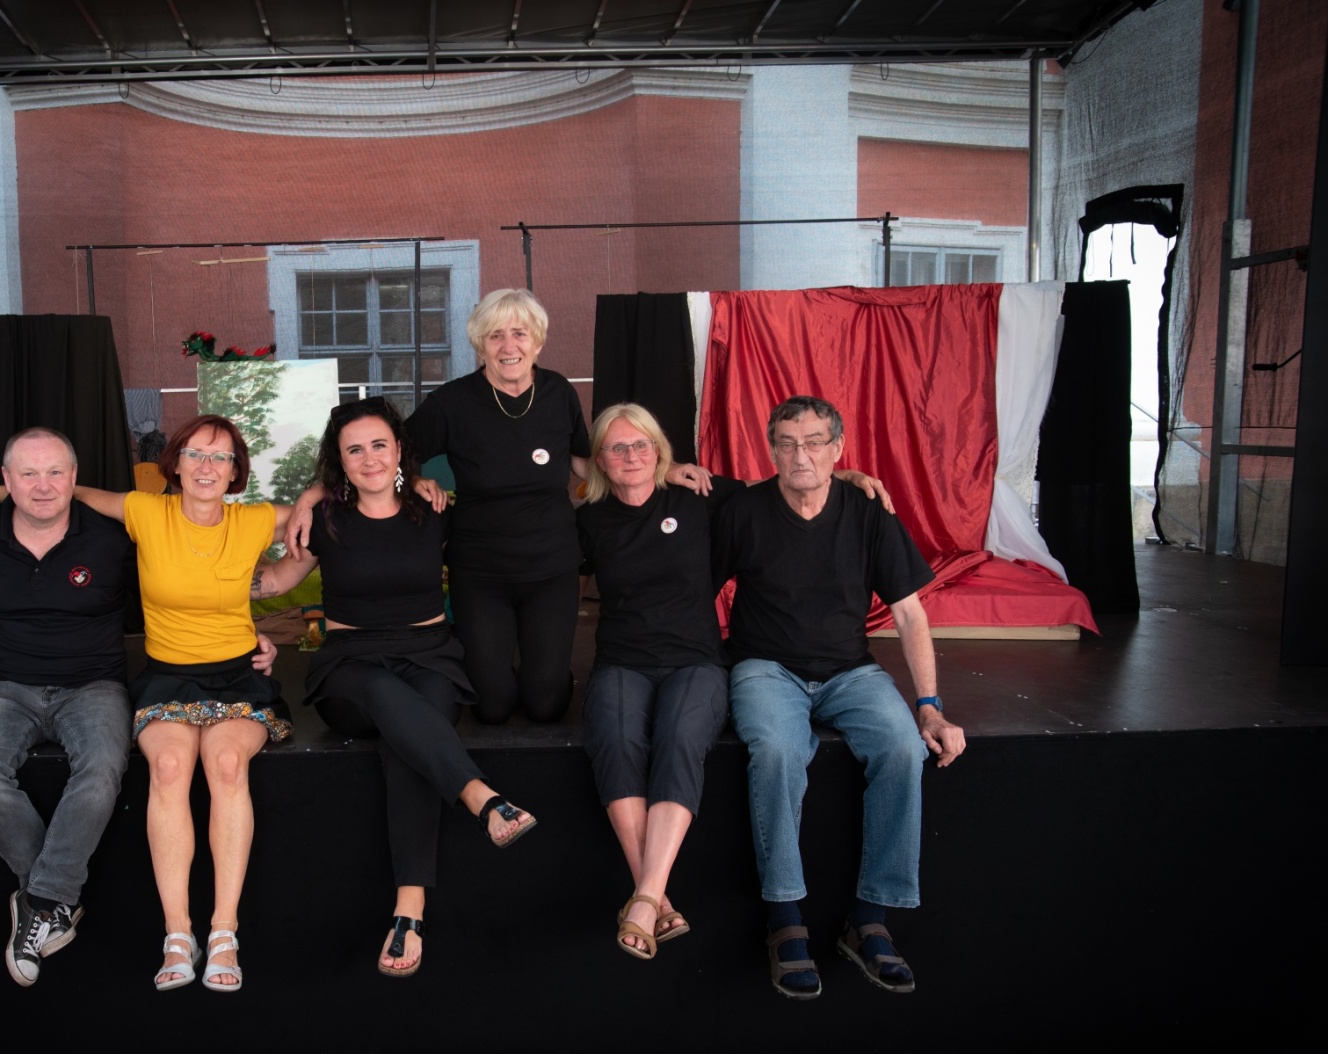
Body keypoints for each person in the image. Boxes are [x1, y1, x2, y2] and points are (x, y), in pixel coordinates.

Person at [289, 288, 707, 724]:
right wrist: (315, 495)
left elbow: (585, 462)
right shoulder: (451, 403)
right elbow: (386, 455)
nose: (509, 346)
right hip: (481, 572)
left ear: (538, 341)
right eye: (495, 336)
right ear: (480, 345)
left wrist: (665, 468)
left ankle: (542, 676)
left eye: (520, 334)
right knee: (491, 706)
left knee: (545, 704)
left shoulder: (558, 392)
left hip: (551, 568)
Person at [578, 404, 891, 960]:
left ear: (659, 449)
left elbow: (778, 485)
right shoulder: (589, 520)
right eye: (617, 447)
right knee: (615, 738)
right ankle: (654, 898)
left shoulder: (699, 495)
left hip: (696, 660)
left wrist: (840, 474)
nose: (631, 456)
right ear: (600, 459)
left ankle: (645, 897)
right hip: (622, 659)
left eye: (641, 444)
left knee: (679, 740)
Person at [252, 398, 537, 977]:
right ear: (339, 460)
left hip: (430, 657)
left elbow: (495, 551)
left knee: (409, 737)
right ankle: (480, 796)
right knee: (386, 695)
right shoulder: (325, 518)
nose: (370, 459)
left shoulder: (433, 509)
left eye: (379, 445)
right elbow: (276, 580)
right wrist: (193, 572)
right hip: (350, 668)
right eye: (354, 449)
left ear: (400, 450)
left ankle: (409, 911)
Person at [716, 396, 965, 999]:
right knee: (778, 752)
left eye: (813, 443)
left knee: (903, 748)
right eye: (786, 443)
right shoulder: (743, 511)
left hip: (850, 670)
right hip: (765, 666)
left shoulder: (868, 511)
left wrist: (929, 705)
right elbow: (695, 589)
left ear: (838, 449)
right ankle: (785, 918)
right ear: (771, 449)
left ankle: (869, 918)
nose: (799, 455)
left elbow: (909, 614)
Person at [67, 415, 292, 994]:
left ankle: (223, 932)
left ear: (236, 470)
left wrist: (394, 484)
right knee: (168, 767)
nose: (206, 467)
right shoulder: (146, 512)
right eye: (194, 454)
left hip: (239, 677)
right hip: (167, 678)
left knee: (227, 765)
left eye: (220, 457)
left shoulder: (254, 520)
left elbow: (323, 513)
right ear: (175, 464)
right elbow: (69, 489)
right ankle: (177, 933)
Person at [0, 427, 137, 989]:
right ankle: (52, 900)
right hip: (7, 687)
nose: (43, 485)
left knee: (102, 769)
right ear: (6, 480)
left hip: (93, 686)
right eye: (28, 473)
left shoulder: (113, 537)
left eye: (55, 472)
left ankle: (39, 901)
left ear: (74, 478)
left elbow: (181, 587)